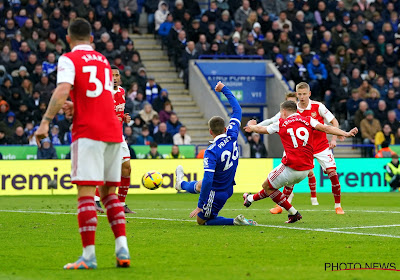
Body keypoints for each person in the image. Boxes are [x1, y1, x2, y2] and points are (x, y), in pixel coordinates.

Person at [34, 18, 130, 270]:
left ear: (68, 38)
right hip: (113, 131)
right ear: (91, 38)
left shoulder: (68, 58)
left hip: (88, 132)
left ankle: (88, 256)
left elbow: (63, 87)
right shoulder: (103, 61)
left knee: (86, 194)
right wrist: (77, 105)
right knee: (110, 194)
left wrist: (45, 122)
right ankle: (122, 249)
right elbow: (103, 98)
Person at [243, 101, 358, 223]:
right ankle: (250, 198)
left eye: (281, 113)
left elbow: (261, 129)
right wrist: (346, 133)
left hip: (291, 167)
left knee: (267, 186)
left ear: (284, 112)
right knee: (272, 186)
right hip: (305, 171)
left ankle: (293, 213)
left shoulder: (281, 123)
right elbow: (327, 128)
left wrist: (251, 126)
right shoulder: (309, 120)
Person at [174, 81, 257, 226]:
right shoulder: (232, 134)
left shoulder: (211, 152)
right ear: (225, 128)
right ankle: (180, 183)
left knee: (201, 220)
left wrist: (200, 204)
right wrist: (224, 89)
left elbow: (208, 180)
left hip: (216, 192)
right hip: (228, 187)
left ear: (210, 132)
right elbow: (237, 110)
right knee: (199, 185)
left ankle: (235, 222)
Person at [94, 65, 135, 214]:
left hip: (118, 135)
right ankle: (95, 201)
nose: (115, 78)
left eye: (117, 75)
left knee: (127, 168)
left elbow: (118, 113)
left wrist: (124, 117)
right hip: (104, 135)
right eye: (112, 75)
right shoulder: (102, 93)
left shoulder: (122, 92)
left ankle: (121, 203)